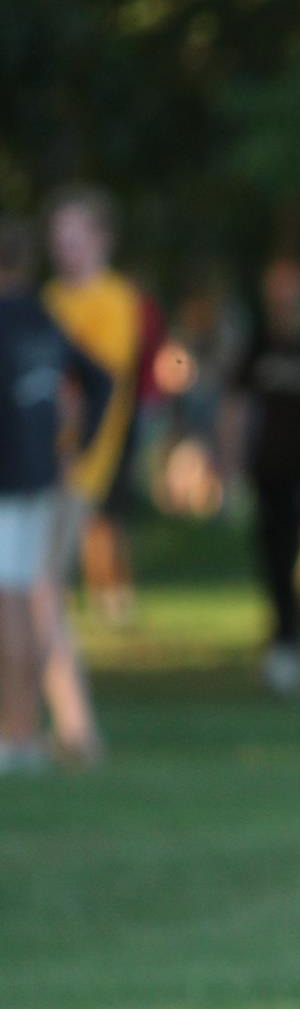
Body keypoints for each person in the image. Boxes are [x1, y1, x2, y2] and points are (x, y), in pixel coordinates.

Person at [0, 218, 111, 773]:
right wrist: (76, 447)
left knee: (10, 603)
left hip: (8, 479)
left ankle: (17, 735)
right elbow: (101, 378)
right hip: (40, 477)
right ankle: (20, 733)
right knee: (21, 597)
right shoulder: (43, 318)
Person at [37, 187, 143, 765]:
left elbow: (94, 385)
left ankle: (75, 726)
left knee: (41, 590)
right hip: (29, 467)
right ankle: (55, 723)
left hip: (75, 470)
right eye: (59, 235)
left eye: (76, 234)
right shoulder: (47, 298)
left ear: (102, 238)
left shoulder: (113, 299)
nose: (65, 246)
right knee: (31, 592)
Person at [222, 261, 300, 697]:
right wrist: (230, 467)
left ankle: (291, 641)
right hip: (267, 470)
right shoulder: (258, 347)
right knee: (273, 555)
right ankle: (283, 644)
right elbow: (236, 410)